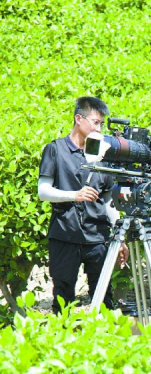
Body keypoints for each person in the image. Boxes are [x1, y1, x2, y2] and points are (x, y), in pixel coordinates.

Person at [38, 96, 128, 313]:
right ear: (79, 119)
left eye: (101, 123)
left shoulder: (103, 154)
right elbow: (43, 191)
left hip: (97, 236)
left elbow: (108, 200)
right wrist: (75, 195)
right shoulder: (55, 149)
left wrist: (120, 236)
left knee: (104, 297)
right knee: (63, 299)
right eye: (95, 122)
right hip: (64, 235)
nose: (99, 128)